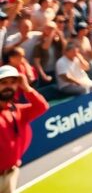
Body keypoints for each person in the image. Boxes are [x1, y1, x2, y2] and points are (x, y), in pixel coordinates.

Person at [0, 65, 48, 193]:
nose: (8, 86)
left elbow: (42, 107)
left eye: (13, 82)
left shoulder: (18, 110)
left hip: (11, 173)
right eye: (3, 82)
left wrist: (26, 88)